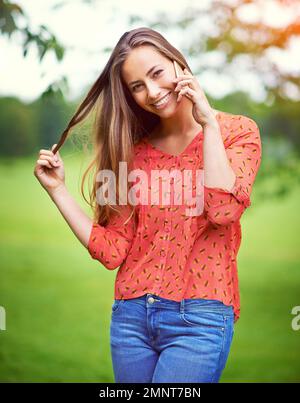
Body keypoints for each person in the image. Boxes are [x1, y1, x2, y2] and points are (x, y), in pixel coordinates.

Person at [34, 27, 262, 383]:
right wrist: (58, 190)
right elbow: (111, 251)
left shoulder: (238, 132)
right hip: (131, 319)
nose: (152, 93)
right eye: (137, 86)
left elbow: (223, 210)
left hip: (200, 319)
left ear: (178, 63)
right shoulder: (133, 151)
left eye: (156, 74)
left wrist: (208, 126)